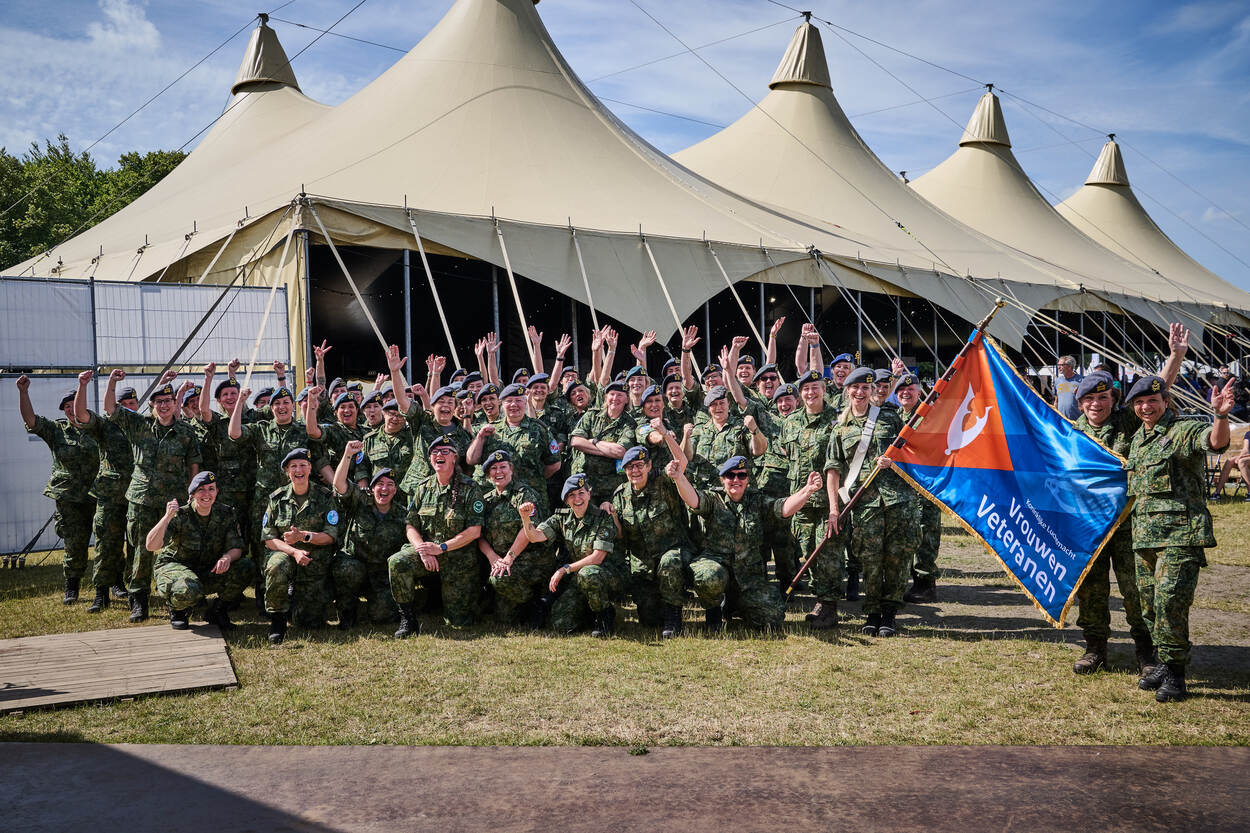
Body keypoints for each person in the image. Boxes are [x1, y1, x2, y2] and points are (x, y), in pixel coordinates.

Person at [1068, 325, 1187, 675]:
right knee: (1090, 588)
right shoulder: (1071, 434)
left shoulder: (1126, 421)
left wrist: (1175, 356)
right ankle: (1095, 648)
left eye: (1102, 398)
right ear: (1080, 403)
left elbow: (1155, 392)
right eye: (1089, 399)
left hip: (1127, 523)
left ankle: (1146, 651)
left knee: (1136, 590)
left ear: (1113, 400)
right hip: (1089, 525)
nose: (1096, 404)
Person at [1125, 375, 1234, 702]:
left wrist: (1221, 416)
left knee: (1170, 602)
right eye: (1140, 403)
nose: (1146, 407)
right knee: (1149, 606)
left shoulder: (1182, 430)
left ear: (1166, 402)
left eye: (1153, 402)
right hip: (1144, 538)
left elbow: (1214, 443)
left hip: (1180, 536)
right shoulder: (1137, 440)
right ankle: (1162, 659)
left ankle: (1175, 675)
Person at [670, 455, 825, 631]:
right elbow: (693, 499)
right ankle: (713, 612)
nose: (736, 480)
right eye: (730, 475)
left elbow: (784, 508)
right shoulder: (713, 499)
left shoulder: (757, 501)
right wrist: (679, 478)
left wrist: (808, 490)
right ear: (723, 479)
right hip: (716, 563)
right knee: (708, 576)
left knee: (772, 617)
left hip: (747, 574)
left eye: (741, 475)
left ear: (747, 479)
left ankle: (735, 605)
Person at [825, 367, 919, 637]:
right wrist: (834, 508)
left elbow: (913, 452)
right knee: (870, 560)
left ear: (871, 391)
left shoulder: (889, 419)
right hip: (864, 505)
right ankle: (872, 612)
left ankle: (890, 614)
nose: (860, 392)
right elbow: (833, 470)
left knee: (897, 559)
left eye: (866, 388)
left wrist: (895, 461)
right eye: (855, 388)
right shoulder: (840, 428)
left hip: (899, 501)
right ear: (847, 391)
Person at [103, 370, 201, 622]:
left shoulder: (186, 432)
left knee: (173, 550)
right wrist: (112, 382)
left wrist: (191, 495)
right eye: (159, 401)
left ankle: (174, 598)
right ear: (152, 405)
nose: (164, 405)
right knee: (140, 550)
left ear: (175, 403)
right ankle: (139, 600)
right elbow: (111, 409)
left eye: (168, 401)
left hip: (173, 500)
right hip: (142, 500)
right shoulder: (139, 425)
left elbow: (193, 465)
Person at [230, 383, 320, 610]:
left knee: (294, 541)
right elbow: (234, 433)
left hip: (295, 500)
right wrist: (240, 402)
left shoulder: (302, 431)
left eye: (286, 402)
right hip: (265, 499)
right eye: (276, 403)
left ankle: (294, 593)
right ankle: (264, 594)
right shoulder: (261, 429)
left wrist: (310, 403)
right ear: (270, 408)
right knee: (263, 546)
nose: (281, 407)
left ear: (293, 406)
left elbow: (315, 437)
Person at [16, 376, 99, 604]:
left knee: (106, 541)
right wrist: (24, 393)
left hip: (98, 494)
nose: (72, 410)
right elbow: (31, 420)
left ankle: (113, 585)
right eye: (67, 407)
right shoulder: (57, 430)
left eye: (75, 405)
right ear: (63, 411)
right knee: (74, 542)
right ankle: (72, 588)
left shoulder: (97, 427)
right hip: (69, 497)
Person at [388, 439, 484, 634]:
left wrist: (441, 548)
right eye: (435, 452)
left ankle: (465, 597)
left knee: (460, 622)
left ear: (454, 457)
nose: (439, 455)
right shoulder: (423, 487)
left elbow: (475, 531)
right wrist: (422, 550)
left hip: (458, 558)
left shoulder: (470, 488)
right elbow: (410, 525)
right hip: (427, 553)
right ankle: (408, 619)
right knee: (397, 562)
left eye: (445, 451)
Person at [145, 471, 254, 631]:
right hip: (176, 566)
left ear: (217, 492)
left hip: (207, 569)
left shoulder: (226, 514)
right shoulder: (181, 515)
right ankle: (178, 610)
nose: (207, 494)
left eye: (211, 489)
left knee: (246, 567)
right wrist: (167, 517)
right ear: (193, 493)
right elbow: (151, 545)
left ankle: (218, 611)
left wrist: (227, 557)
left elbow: (236, 548)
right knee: (188, 590)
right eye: (201, 489)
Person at [518, 474, 621, 637]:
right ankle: (588, 610)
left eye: (581, 493)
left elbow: (597, 558)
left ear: (589, 494)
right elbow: (535, 536)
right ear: (566, 500)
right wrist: (525, 519)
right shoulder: (562, 517)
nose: (577, 498)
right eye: (571, 495)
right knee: (561, 623)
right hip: (576, 577)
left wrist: (564, 569)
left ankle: (604, 615)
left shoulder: (602, 518)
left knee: (588, 573)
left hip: (606, 575)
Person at [778, 369, 842, 628]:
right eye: (805, 388)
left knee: (828, 553)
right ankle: (820, 599)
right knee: (808, 553)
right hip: (801, 500)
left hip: (828, 500)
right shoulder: (791, 421)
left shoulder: (837, 420)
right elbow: (786, 452)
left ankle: (829, 606)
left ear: (824, 390)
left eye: (815, 387)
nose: (810, 392)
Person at [260, 448, 342, 644]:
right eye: (293, 466)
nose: (299, 470)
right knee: (276, 565)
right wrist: (294, 551)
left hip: (315, 563)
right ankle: (277, 621)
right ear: (287, 471)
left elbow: (331, 536)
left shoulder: (325, 496)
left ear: (310, 468)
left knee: (309, 622)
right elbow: (269, 538)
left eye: (303, 465)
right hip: (287, 556)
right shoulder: (277, 499)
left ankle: (294, 599)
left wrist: (304, 536)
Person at [610, 444, 692, 636]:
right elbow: (621, 536)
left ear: (649, 466)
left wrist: (664, 434)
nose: (635, 471)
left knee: (669, 563)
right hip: (643, 563)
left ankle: (674, 616)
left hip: (673, 552)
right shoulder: (620, 496)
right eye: (630, 467)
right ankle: (663, 605)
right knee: (649, 619)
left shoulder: (663, 482)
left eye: (639, 465)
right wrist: (613, 515)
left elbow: (682, 463)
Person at [72, 371, 134, 610]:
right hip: (109, 496)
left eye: (132, 403)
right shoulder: (104, 426)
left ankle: (127, 587)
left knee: (135, 545)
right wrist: (83, 385)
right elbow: (80, 414)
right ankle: (101, 594)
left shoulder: (140, 425)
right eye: (124, 404)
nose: (129, 408)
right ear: (116, 405)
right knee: (106, 544)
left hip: (135, 496)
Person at [330, 441, 408, 628]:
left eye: (390, 485)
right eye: (380, 484)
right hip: (355, 564)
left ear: (395, 491)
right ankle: (347, 611)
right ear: (372, 488)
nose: (384, 489)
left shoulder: (402, 514)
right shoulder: (360, 501)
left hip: (380, 573)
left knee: (381, 616)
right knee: (348, 569)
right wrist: (348, 454)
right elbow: (339, 484)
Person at [480, 450, 556, 627]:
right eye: (493, 468)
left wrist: (508, 559)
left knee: (499, 579)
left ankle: (535, 602)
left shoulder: (524, 494)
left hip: (531, 561)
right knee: (503, 619)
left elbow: (528, 530)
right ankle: (523, 602)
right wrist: (493, 557)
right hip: (503, 561)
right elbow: (478, 534)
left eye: (503, 467)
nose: (499, 472)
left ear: (511, 470)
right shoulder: (487, 500)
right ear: (488, 474)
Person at [467, 383, 561, 513]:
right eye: (509, 401)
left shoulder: (540, 429)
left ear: (525, 403)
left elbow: (554, 463)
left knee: (533, 532)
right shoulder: (489, 430)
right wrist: (480, 437)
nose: (513, 405)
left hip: (531, 498)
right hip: (497, 501)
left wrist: (533, 479)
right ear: (502, 404)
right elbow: (471, 460)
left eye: (518, 401)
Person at [894, 373, 942, 604]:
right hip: (904, 487)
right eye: (901, 390)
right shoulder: (895, 417)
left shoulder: (927, 417)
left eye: (910, 389)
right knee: (908, 534)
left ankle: (926, 584)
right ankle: (912, 580)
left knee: (926, 534)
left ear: (919, 392)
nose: (905, 393)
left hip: (925, 485)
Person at [569, 380, 636, 503]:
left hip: (609, 489)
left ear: (627, 399)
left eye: (620, 395)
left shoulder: (629, 423)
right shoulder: (592, 415)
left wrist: (593, 442)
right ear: (606, 397)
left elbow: (620, 451)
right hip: (582, 485)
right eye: (612, 394)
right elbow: (576, 441)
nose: (615, 398)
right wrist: (607, 450)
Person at [1054, 355, 1082, 420]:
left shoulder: (1082, 381)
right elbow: (1056, 401)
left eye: (1061, 365)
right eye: (1058, 365)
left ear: (1070, 367)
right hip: (1062, 421)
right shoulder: (1057, 381)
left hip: (1078, 421)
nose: (1058, 367)